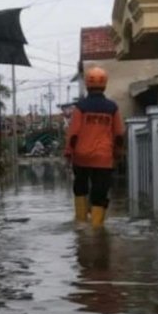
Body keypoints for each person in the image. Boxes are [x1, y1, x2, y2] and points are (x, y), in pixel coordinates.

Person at [64, 66, 125, 228]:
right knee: (100, 193)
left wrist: (68, 154)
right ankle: (97, 230)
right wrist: (117, 155)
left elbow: (73, 134)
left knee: (80, 188)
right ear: (105, 85)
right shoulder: (112, 108)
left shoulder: (81, 107)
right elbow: (118, 134)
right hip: (103, 158)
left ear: (87, 84)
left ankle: (81, 224)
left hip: (81, 157)